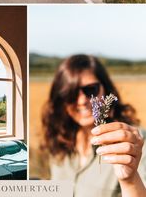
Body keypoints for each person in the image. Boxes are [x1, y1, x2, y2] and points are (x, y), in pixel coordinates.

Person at [42, 54, 146, 197]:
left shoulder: (134, 143)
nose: (82, 101)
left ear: (106, 89)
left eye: (91, 90)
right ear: (61, 100)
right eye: (71, 93)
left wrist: (130, 180)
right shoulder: (60, 142)